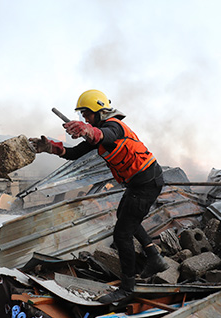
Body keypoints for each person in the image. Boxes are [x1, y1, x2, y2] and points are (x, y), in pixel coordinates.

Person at [30, 90, 169, 303]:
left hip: (146, 183)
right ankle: (154, 257)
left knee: (122, 235)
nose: (84, 118)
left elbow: (107, 135)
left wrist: (88, 130)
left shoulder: (114, 126)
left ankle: (127, 288)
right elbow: (74, 154)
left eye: (87, 114)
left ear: (100, 111)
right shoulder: (98, 132)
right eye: (83, 115)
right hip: (139, 183)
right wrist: (51, 147)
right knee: (126, 216)